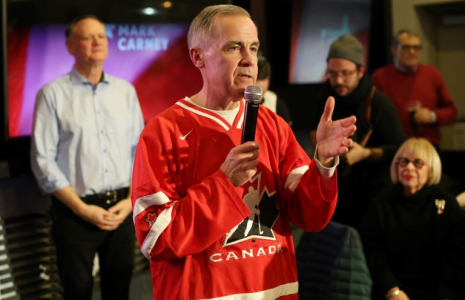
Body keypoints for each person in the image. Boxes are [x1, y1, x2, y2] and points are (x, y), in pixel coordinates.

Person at [131, 5, 356, 300]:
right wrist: (224, 184)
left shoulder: (272, 125)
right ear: (198, 57)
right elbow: (156, 239)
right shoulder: (163, 132)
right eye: (234, 47)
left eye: (254, 47)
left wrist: (323, 163)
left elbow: (310, 217)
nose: (250, 60)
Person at [30, 15, 144, 300]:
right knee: (77, 291)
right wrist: (82, 209)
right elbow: (43, 161)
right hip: (75, 214)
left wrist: (130, 200)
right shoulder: (52, 94)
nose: (97, 42)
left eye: (102, 36)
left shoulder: (125, 91)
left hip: (122, 208)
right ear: (70, 47)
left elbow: (138, 152)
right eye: (88, 37)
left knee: (119, 290)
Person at [309, 34, 406, 229]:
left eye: (345, 73)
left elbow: (400, 148)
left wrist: (366, 154)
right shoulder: (325, 97)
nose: (338, 80)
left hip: (373, 192)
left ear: (361, 71)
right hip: (336, 187)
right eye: (332, 73)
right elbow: (313, 131)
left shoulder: (379, 103)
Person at [360, 137, 465, 300]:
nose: (409, 167)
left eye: (417, 162)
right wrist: (392, 291)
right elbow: (373, 252)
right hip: (392, 290)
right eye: (403, 162)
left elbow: (455, 257)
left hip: (438, 291)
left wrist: (447, 295)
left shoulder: (447, 204)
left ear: (431, 168)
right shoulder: (381, 203)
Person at [372, 29, 458, 149]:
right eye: (406, 47)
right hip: (394, 147)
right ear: (394, 50)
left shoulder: (432, 74)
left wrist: (432, 116)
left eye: (416, 47)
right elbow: (372, 116)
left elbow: (452, 112)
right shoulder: (380, 76)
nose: (412, 52)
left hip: (428, 146)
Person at [256, 56, 293, 126]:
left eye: (262, 93)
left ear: (268, 79)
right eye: (253, 92)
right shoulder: (236, 103)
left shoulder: (277, 103)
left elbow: (286, 133)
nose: (258, 99)